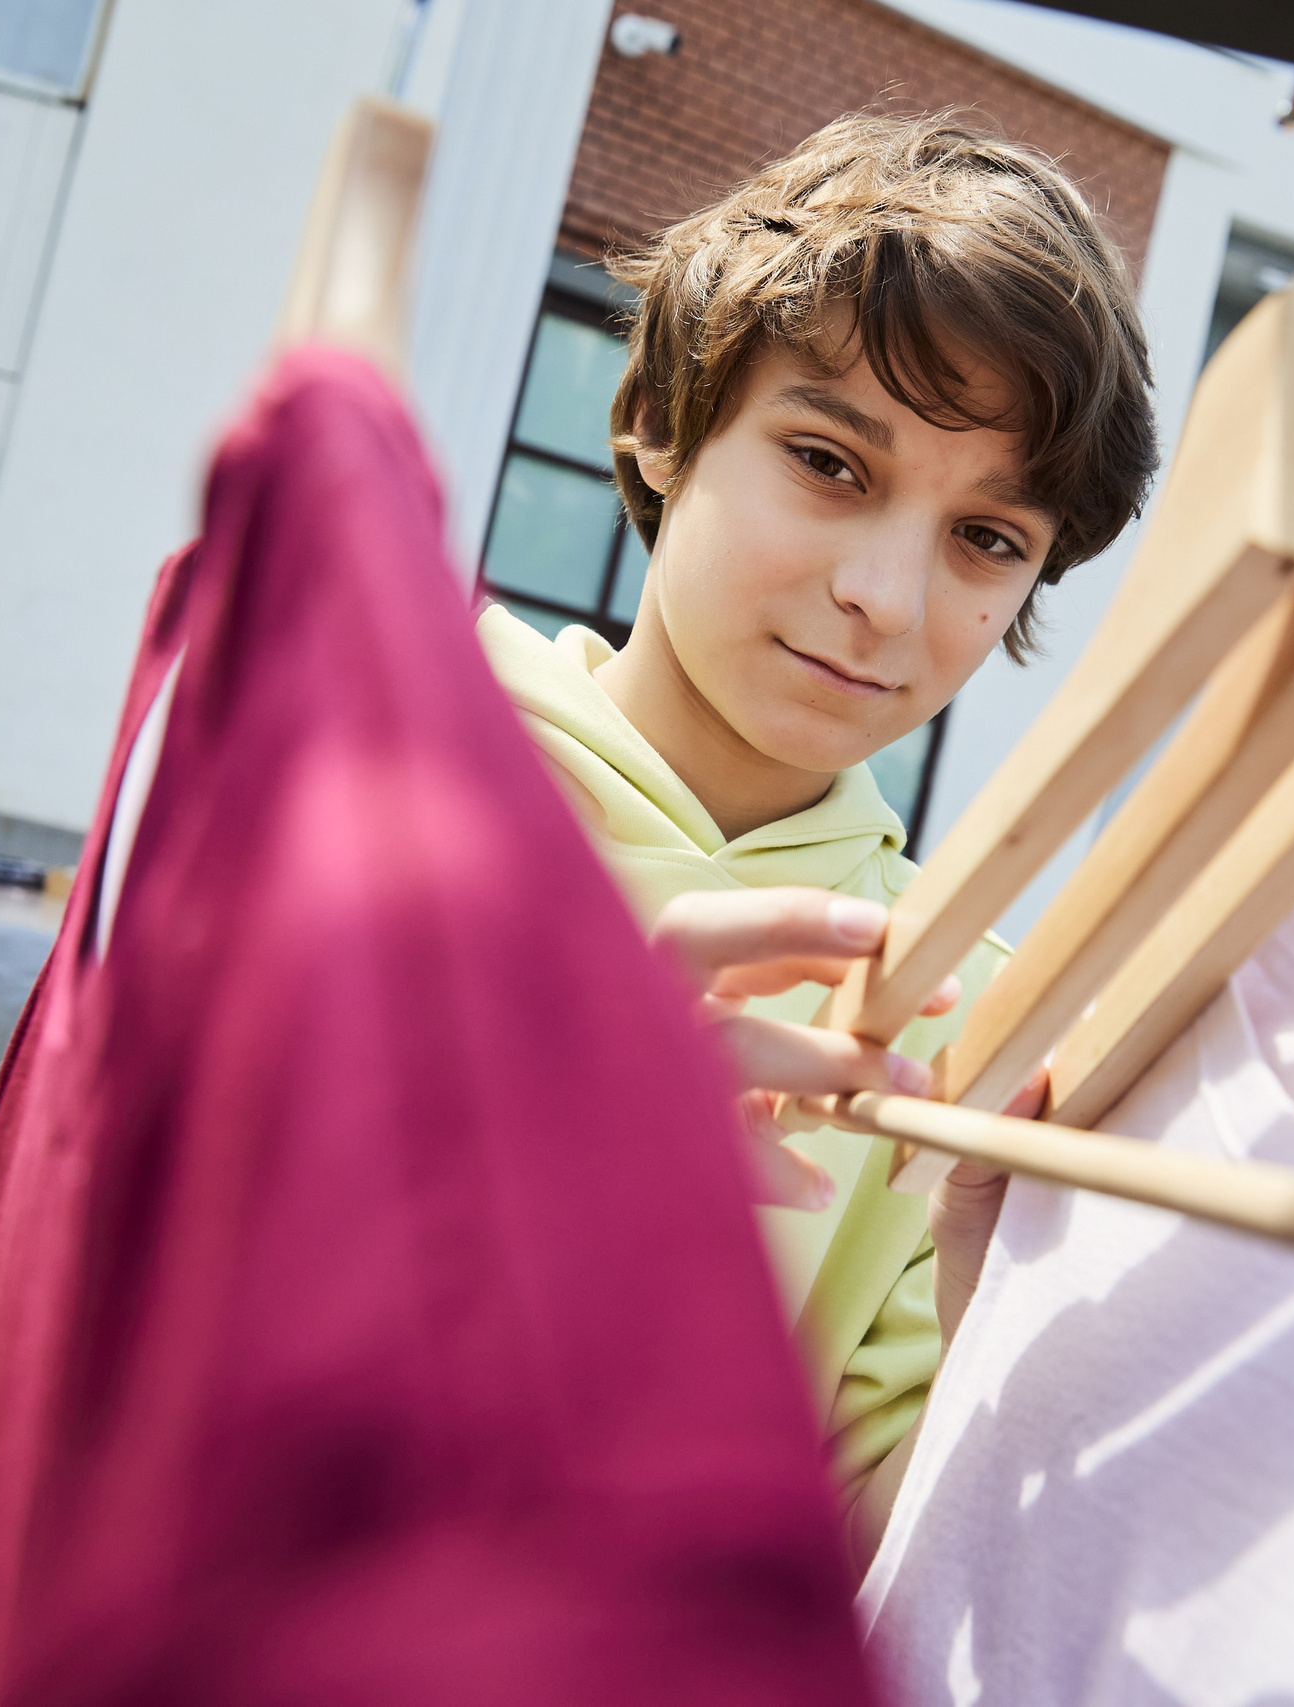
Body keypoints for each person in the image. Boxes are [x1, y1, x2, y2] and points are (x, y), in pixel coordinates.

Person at [477, 112, 1156, 1568]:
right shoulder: (359, 769)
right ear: (661, 419)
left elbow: (837, 1566)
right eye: (831, 462)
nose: (888, 596)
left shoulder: (965, 1006)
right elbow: (0, 1286)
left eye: (989, 539)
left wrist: (1000, 1309)